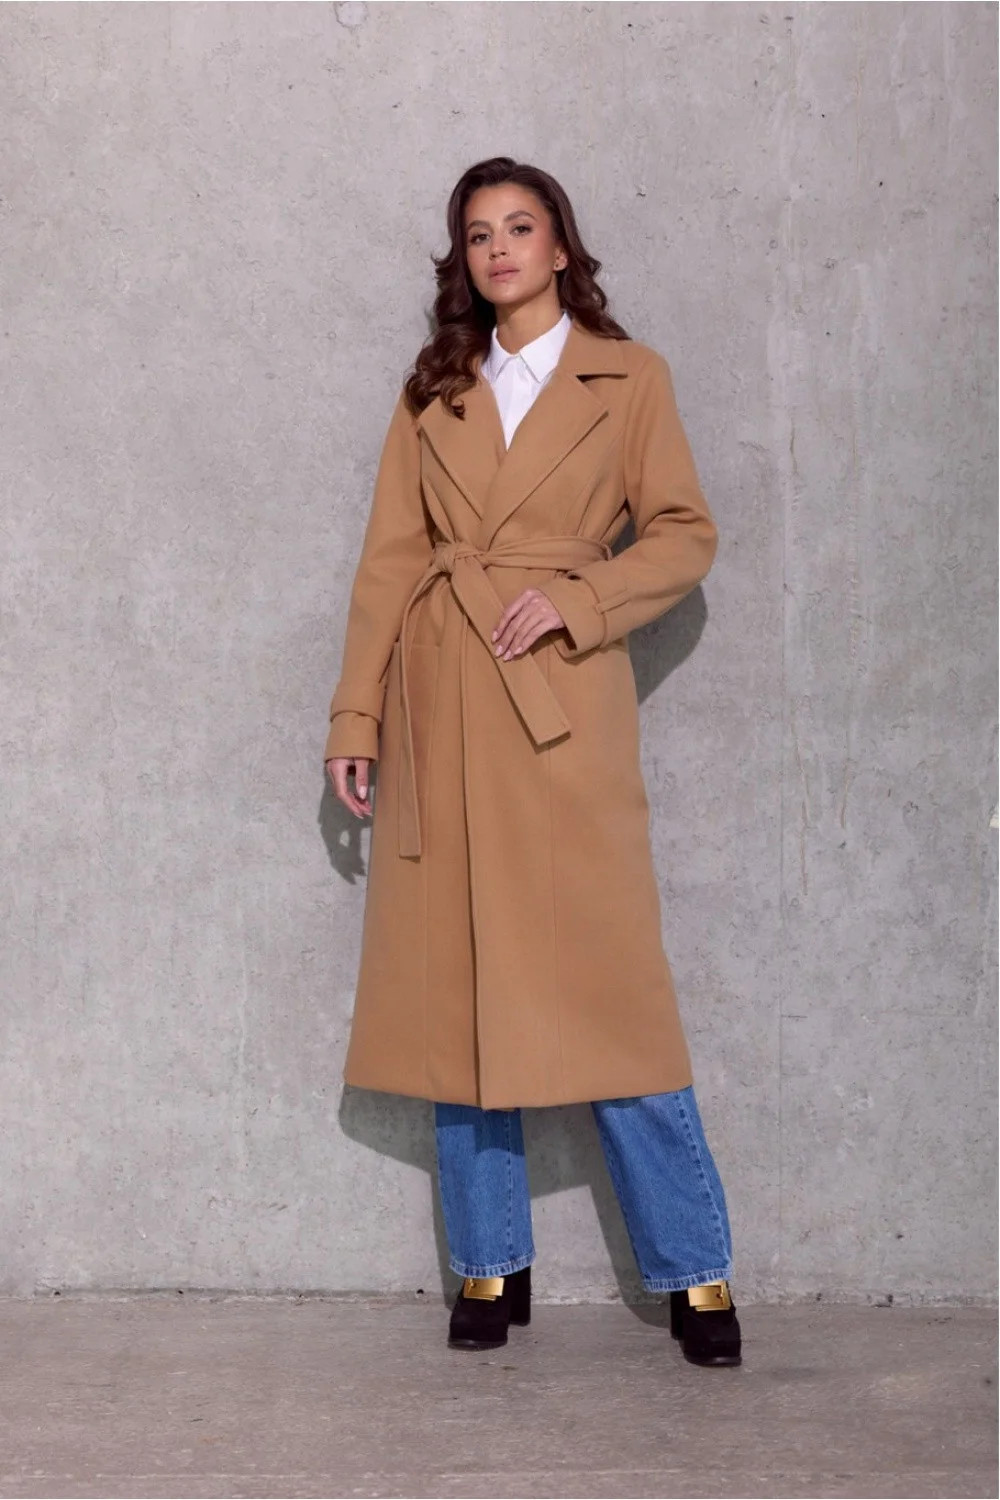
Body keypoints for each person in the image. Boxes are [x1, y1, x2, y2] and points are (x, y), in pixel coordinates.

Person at [323, 156, 741, 1367]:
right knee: (460, 989)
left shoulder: (629, 377)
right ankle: (487, 1261)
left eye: (520, 226)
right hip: (444, 703)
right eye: (477, 233)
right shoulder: (434, 390)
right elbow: (389, 564)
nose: (499, 247)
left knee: (612, 986)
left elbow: (684, 534)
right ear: (463, 260)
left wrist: (578, 599)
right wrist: (357, 718)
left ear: (561, 246)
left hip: (558, 705)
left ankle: (694, 1271)